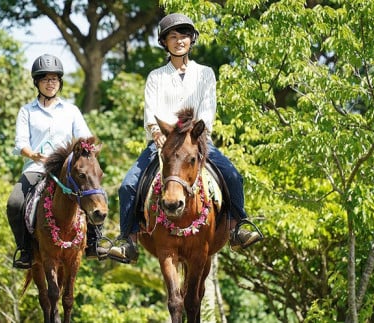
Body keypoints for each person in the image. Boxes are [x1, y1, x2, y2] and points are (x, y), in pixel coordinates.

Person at [109, 13, 263, 263]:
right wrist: (157, 132)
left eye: (184, 36)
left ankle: (238, 227)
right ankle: (128, 240)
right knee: (128, 185)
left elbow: (207, 108)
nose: (179, 41)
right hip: (163, 142)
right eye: (173, 36)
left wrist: (197, 135)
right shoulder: (155, 77)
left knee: (233, 176)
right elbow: (151, 111)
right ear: (164, 43)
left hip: (197, 142)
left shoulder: (205, 74)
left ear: (192, 40)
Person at [6, 54, 102, 269]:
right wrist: (32, 155)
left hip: (67, 170)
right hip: (37, 167)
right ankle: (25, 249)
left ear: (60, 82)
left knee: (94, 193)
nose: (50, 84)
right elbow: (20, 142)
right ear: (37, 83)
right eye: (45, 79)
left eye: (54, 79)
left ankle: (96, 242)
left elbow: (85, 138)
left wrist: (89, 149)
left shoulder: (71, 111)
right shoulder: (27, 111)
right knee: (14, 203)